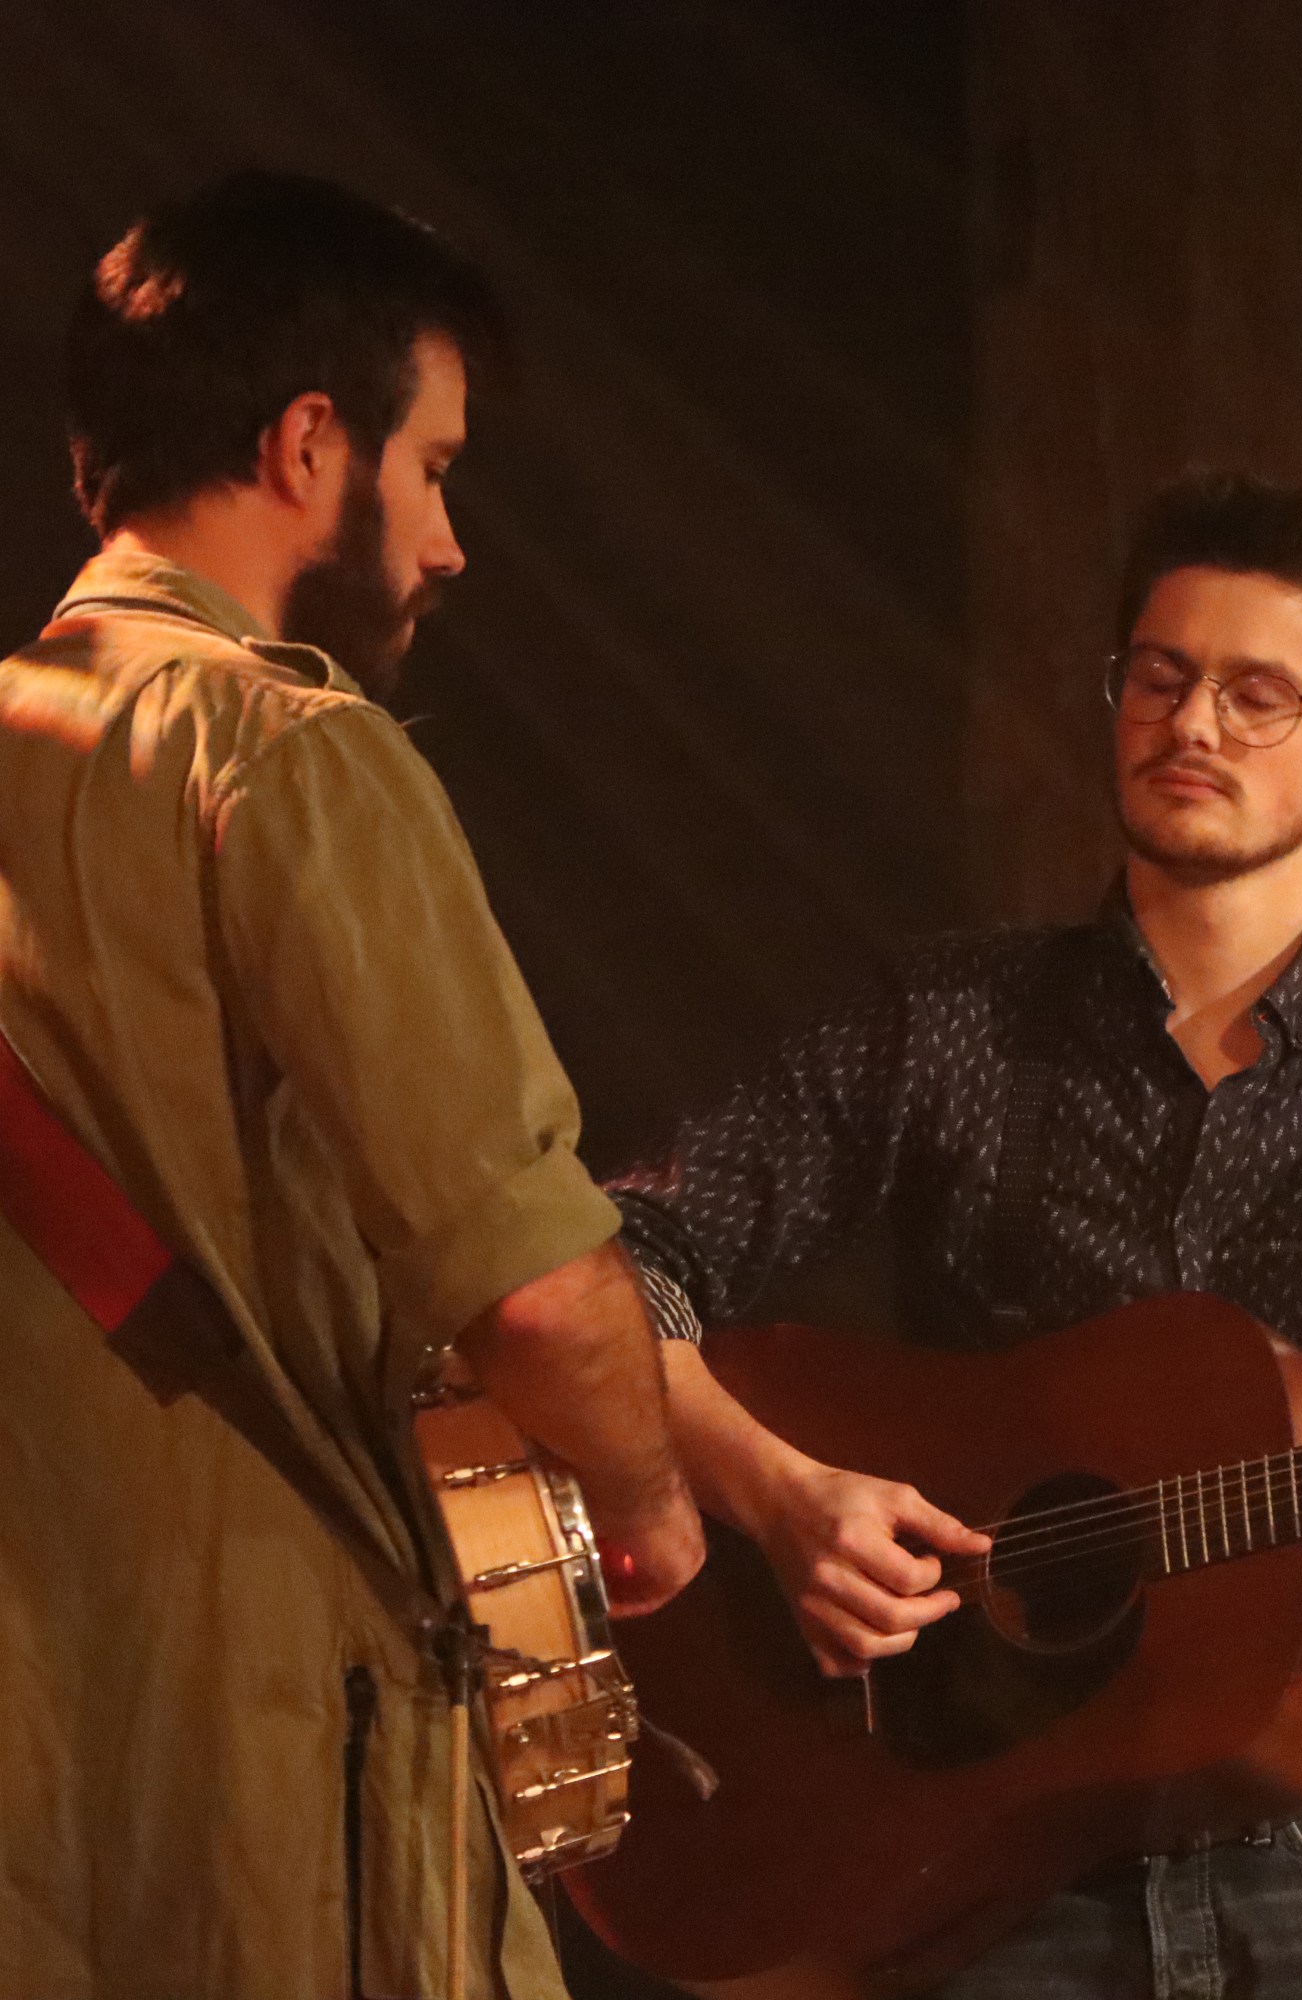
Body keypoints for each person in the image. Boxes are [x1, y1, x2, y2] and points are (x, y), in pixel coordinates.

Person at [611, 471, 1302, 1998]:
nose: (1192, 724)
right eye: (1159, 678)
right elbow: (613, 1258)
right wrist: (782, 1494)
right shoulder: (945, 1022)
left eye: (1256, 695)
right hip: (986, 1860)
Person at [0, 171, 703, 2000]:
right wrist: (652, 1506)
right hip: (260, 1781)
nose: (450, 543)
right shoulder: (290, 754)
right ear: (311, 444)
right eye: (436, 469)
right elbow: (534, 1288)